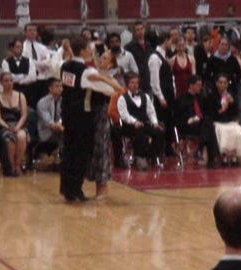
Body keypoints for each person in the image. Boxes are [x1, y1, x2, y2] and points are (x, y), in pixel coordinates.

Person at [59, 36, 119, 203]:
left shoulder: (65, 66)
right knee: (80, 153)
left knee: (68, 152)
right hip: (82, 116)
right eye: (89, 48)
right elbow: (107, 90)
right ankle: (76, 190)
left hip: (67, 115)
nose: (92, 51)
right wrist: (113, 84)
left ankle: (67, 189)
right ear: (83, 50)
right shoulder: (87, 71)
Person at [117, 73, 165, 171]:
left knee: (160, 131)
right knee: (140, 133)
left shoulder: (145, 96)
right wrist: (134, 121)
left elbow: (151, 112)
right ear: (127, 84)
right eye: (132, 83)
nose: (135, 85)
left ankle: (150, 155)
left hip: (144, 123)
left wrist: (155, 123)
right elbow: (124, 115)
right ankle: (140, 157)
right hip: (129, 126)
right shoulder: (122, 98)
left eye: (136, 83)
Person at [87, 51, 118, 200]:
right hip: (90, 115)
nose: (101, 59)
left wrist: (102, 78)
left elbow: (118, 90)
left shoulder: (110, 79)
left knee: (102, 150)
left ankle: (103, 188)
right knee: (93, 151)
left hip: (102, 116)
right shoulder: (92, 74)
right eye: (101, 57)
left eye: (105, 58)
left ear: (110, 64)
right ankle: (98, 188)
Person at [206, 73, 241, 166]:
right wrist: (221, 110)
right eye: (220, 82)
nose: (223, 84)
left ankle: (234, 156)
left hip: (229, 122)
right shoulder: (211, 96)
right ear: (216, 83)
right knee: (222, 131)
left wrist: (232, 104)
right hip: (217, 122)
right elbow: (210, 113)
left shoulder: (231, 95)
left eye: (225, 82)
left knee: (238, 131)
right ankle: (223, 156)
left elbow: (236, 113)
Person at [173, 75, 221, 168]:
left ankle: (201, 147)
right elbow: (178, 117)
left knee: (208, 122)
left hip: (201, 126)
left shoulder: (201, 98)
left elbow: (208, 112)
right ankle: (211, 157)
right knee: (209, 127)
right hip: (188, 126)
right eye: (198, 85)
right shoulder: (182, 99)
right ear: (191, 85)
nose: (200, 87)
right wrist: (189, 120)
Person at [0, 72, 29, 176]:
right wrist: (8, 127)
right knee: (9, 138)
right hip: (4, 125)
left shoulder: (20, 96)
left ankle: (18, 165)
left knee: (21, 136)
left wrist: (17, 127)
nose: (9, 83)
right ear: (1, 83)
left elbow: (24, 115)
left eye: (11, 80)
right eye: (6, 81)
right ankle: (11, 166)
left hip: (19, 124)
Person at [149, 31, 177, 156]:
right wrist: (160, 97)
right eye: (170, 41)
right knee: (162, 121)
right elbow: (154, 81)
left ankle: (168, 148)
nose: (171, 43)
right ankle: (159, 149)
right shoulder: (154, 58)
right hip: (162, 95)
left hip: (169, 94)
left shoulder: (164, 56)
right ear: (166, 41)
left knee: (169, 121)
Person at [22, 23, 54, 107]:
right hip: (30, 81)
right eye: (30, 30)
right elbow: (28, 62)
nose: (32, 32)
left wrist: (36, 63)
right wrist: (40, 63)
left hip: (43, 80)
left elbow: (48, 62)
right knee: (31, 105)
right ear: (24, 33)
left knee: (43, 104)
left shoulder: (42, 47)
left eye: (34, 30)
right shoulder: (23, 47)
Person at [35, 78, 64, 161]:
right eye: (57, 86)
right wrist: (60, 127)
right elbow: (49, 123)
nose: (60, 89)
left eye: (61, 86)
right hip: (46, 132)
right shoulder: (42, 103)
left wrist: (61, 124)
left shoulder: (63, 101)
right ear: (50, 88)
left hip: (59, 129)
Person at [1, 38, 37, 103]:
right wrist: (23, 75)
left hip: (28, 92)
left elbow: (33, 77)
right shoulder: (5, 62)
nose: (20, 49)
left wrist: (20, 81)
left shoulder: (29, 61)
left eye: (21, 47)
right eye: (17, 47)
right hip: (12, 92)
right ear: (12, 48)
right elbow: (8, 77)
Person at [126, 21, 153, 93]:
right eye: (137, 30)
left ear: (144, 30)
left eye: (141, 29)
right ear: (134, 32)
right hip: (137, 80)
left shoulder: (149, 45)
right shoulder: (129, 47)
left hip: (148, 78)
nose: (140, 31)